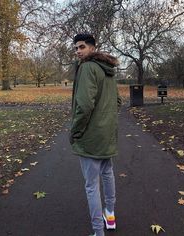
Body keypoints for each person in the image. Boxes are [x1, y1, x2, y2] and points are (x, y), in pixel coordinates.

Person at [70, 33, 122, 236]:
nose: (78, 51)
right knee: (107, 173)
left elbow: (83, 105)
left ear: (92, 48)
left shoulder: (87, 68)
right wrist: (106, 120)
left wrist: (76, 131)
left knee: (91, 185)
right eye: (75, 48)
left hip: (91, 136)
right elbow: (117, 102)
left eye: (81, 47)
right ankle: (110, 215)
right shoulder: (107, 70)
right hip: (107, 134)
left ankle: (98, 232)